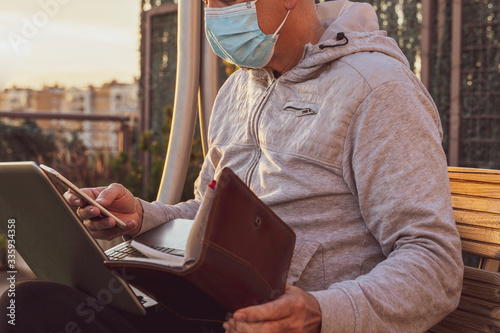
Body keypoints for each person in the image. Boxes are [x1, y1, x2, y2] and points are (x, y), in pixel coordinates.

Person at [1, 0, 464, 332]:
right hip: (206, 308)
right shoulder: (237, 91)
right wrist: (143, 217)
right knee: (29, 304)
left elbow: (435, 263)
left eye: (230, 0)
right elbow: (209, 210)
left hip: (288, 321)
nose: (216, 13)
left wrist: (321, 312)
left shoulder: (377, 90)